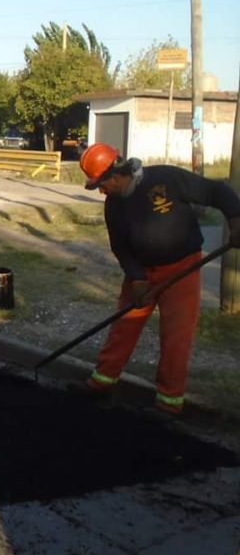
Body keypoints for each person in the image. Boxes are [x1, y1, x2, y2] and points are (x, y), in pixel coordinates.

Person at [77, 143, 240, 415]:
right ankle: (101, 382)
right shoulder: (114, 207)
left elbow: (217, 191)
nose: (101, 191)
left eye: (101, 185)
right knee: (123, 328)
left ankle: (169, 402)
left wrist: (236, 220)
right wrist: (137, 278)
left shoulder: (166, 178)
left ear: (115, 176)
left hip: (182, 269)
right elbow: (120, 247)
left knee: (177, 335)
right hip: (142, 273)